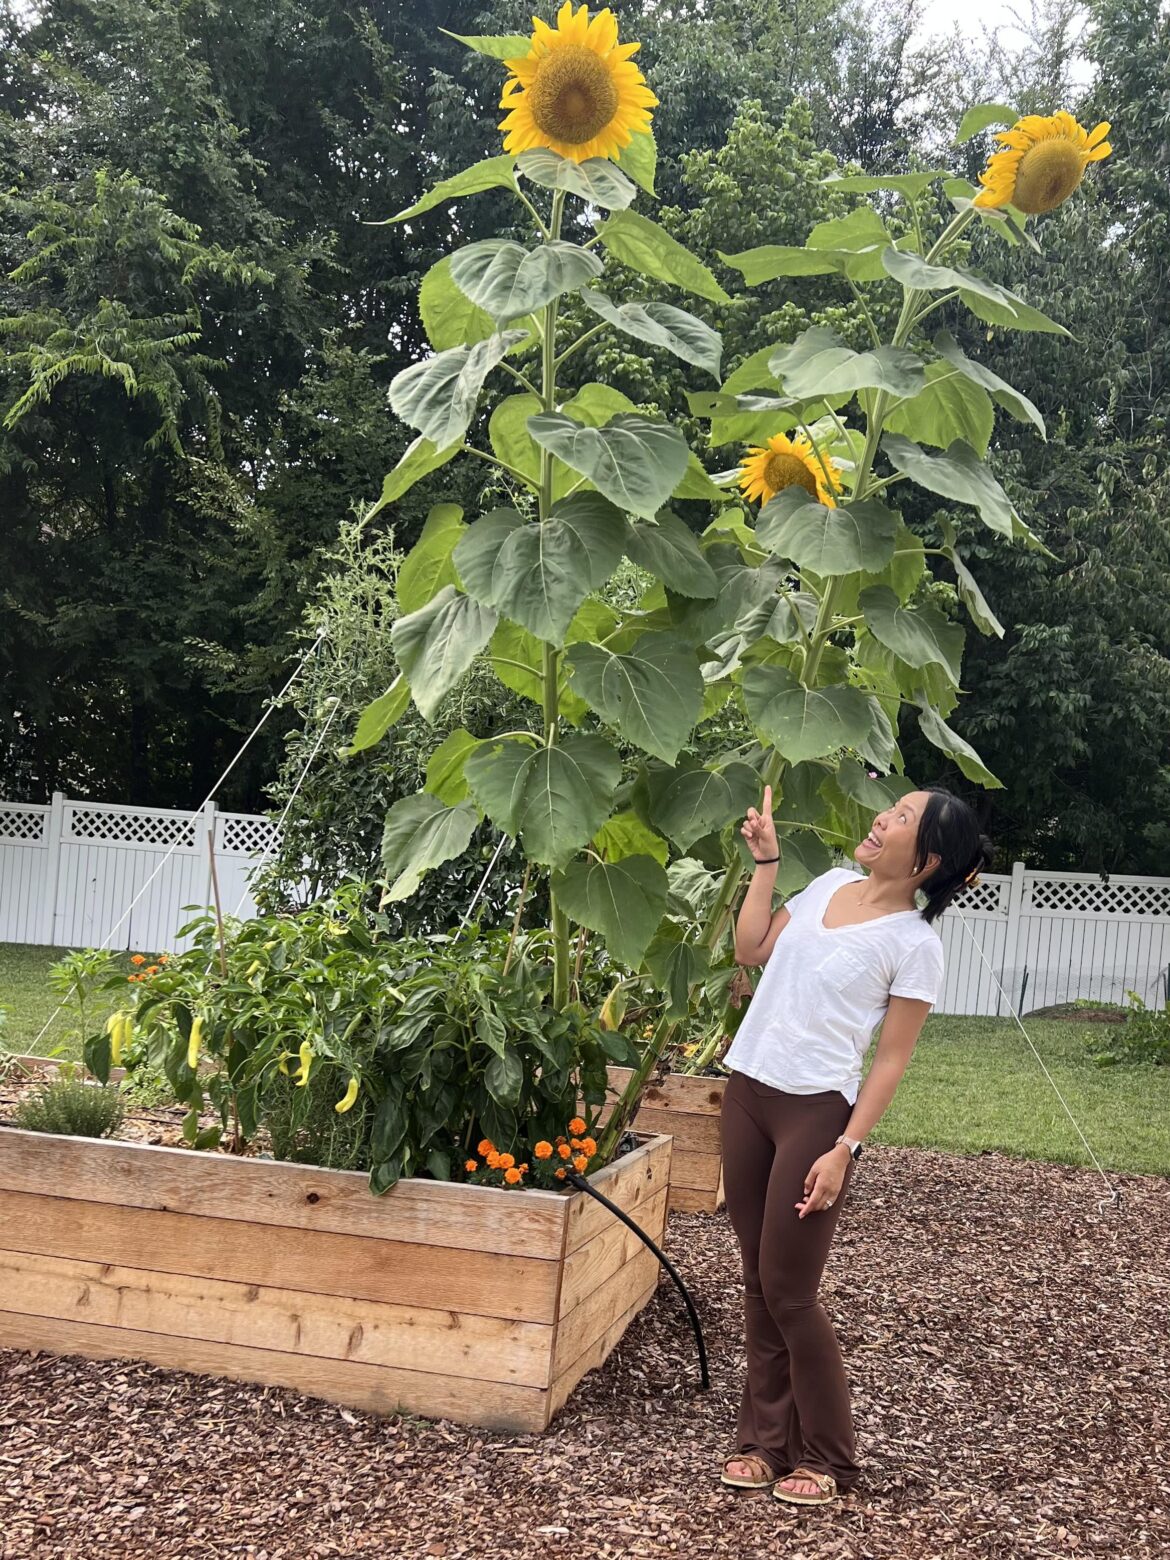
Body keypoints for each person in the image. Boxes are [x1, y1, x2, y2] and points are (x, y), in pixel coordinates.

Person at [718, 784, 993, 1507]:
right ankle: (764, 1443)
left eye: (901, 817)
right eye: (891, 807)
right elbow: (750, 948)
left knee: (790, 1292)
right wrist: (767, 864)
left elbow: (891, 1060)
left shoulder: (915, 945)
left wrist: (846, 1148)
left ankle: (829, 1457)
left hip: (815, 1113)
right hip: (747, 1093)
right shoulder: (828, 885)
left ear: (927, 859)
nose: (881, 817)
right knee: (758, 1280)